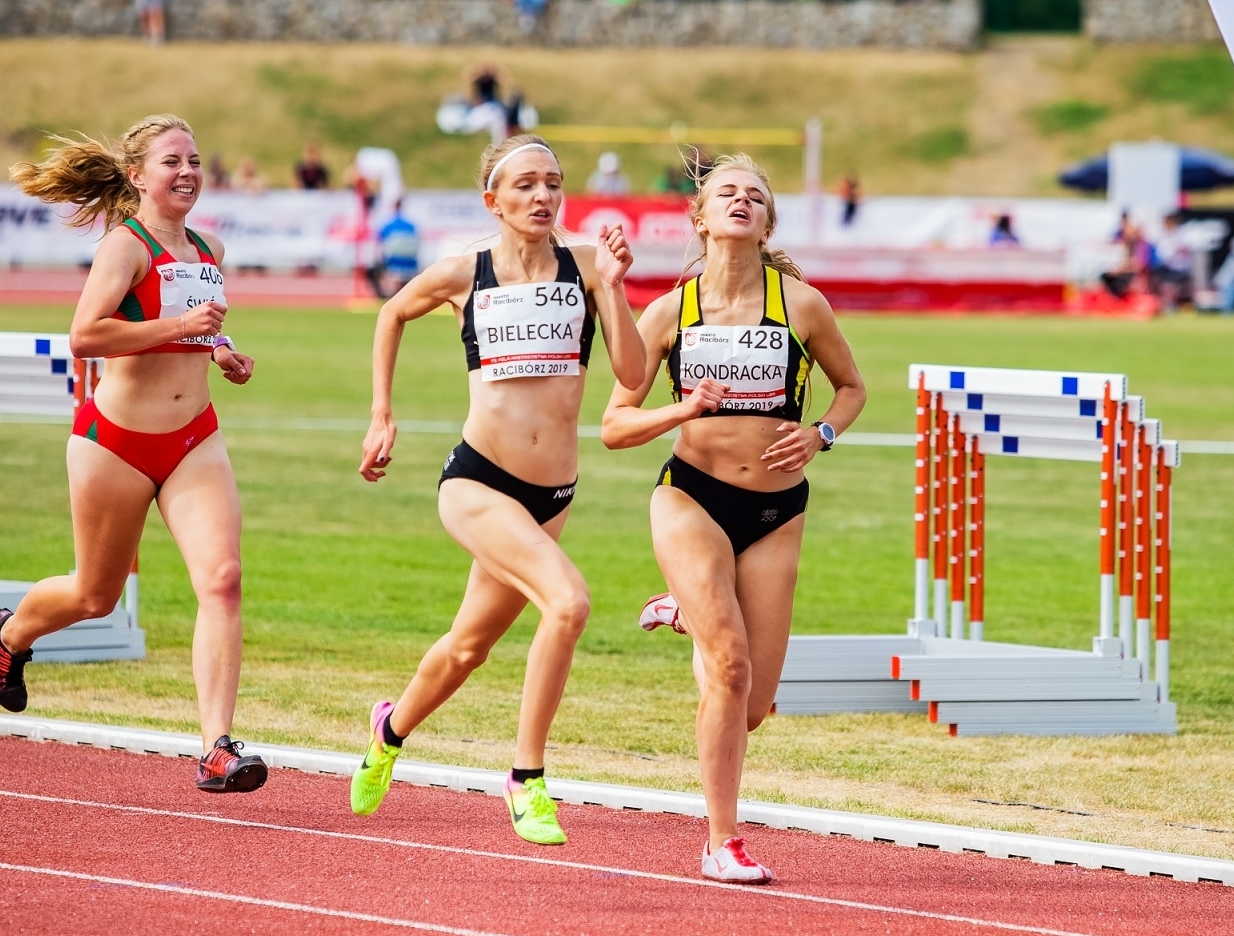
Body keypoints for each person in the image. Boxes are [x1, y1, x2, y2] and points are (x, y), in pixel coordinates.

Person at [352, 135, 645, 844]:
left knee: (466, 648)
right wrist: (381, 414)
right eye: (525, 186)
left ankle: (388, 733)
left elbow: (633, 376)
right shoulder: (464, 272)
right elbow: (391, 313)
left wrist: (613, 285)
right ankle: (527, 778)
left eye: (553, 183)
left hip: (552, 496)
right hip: (478, 483)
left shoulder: (584, 267)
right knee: (568, 602)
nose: (542, 197)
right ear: (494, 200)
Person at [601, 153, 866, 884]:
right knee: (731, 665)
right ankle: (722, 839)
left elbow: (850, 388)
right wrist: (683, 409)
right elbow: (615, 425)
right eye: (728, 193)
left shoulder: (801, 305)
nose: (742, 202)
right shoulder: (670, 312)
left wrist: (822, 435)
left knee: (752, 704)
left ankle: (687, 609)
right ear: (701, 215)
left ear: (768, 220)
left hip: (777, 511)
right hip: (692, 497)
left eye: (755, 195)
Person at [0, 114, 267, 795]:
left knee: (223, 578)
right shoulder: (125, 247)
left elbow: (193, 334)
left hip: (193, 436)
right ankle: (11, 634)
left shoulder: (209, 249)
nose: (188, 172)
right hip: (114, 445)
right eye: (172, 161)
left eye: (196, 160)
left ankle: (216, 749)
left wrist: (220, 352)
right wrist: (180, 326)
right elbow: (86, 335)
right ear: (138, 175)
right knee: (95, 596)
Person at [369, 200, 420, 298]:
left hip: (393, 263)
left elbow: (379, 244)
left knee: (373, 270)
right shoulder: (411, 226)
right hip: (410, 263)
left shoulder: (388, 225)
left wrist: (377, 259)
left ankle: (383, 296)